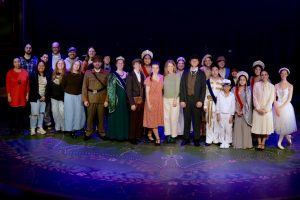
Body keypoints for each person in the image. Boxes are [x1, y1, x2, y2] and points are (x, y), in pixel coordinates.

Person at [180, 54, 206, 147]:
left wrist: (201, 101)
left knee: (196, 121)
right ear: (190, 62)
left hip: (197, 100)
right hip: (187, 99)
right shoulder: (186, 72)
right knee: (186, 120)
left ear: (198, 62)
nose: (194, 62)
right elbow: (182, 87)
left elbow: (203, 88)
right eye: (192, 61)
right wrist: (182, 100)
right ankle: (186, 139)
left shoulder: (202, 73)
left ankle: (196, 139)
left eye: (196, 61)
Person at [82, 55, 109, 141]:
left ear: (101, 63)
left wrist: (107, 100)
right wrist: (85, 99)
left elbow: (109, 88)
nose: (97, 63)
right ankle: (88, 132)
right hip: (91, 98)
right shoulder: (88, 72)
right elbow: (84, 87)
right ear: (93, 63)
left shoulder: (106, 73)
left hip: (102, 98)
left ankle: (101, 132)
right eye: (95, 62)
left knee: (101, 117)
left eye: (99, 61)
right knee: (90, 117)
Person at [273, 67, 297, 149]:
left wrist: (281, 107)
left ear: (287, 75)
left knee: (284, 124)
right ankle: (288, 137)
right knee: (282, 125)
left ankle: (279, 142)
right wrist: (276, 106)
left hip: (286, 106)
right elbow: (273, 98)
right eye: (282, 73)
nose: (283, 75)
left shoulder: (290, 86)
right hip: (277, 105)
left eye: (285, 73)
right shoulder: (276, 85)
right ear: (280, 74)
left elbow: (289, 98)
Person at [107, 56, 129, 141]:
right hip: (116, 100)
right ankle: (114, 135)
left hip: (125, 100)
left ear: (123, 64)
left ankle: (123, 135)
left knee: (124, 117)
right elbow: (110, 90)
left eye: (122, 63)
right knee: (115, 117)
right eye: (118, 63)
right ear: (116, 64)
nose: (120, 64)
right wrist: (111, 101)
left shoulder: (127, 74)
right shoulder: (112, 75)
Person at [251, 70, 275, 151]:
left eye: (265, 75)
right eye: (262, 75)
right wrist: (258, 108)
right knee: (258, 127)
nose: (264, 76)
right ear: (260, 76)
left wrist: (266, 109)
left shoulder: (272, 86)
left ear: (268, 76)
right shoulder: (256, 85)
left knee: (266, 127)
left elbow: (271, 98)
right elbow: (254, 97)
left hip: (267, 110)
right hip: (257, 109)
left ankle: (263, 142)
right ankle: (259, 142)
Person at [61, 60, 86, 137]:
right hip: (69, 96)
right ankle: (69, 129)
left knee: (79, 112)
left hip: (78, 96)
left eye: (78, 65)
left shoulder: (81, 75)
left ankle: (78, 128)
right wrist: (67, 92)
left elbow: (83, 86)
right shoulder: (67, 74)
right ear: (73, 65)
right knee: (69, 113)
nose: (76, 66)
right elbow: (62, 85)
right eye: (75, 64)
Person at [6, 57, 29, 135]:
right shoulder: (9, 72)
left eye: (18, 61)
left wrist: (27, 94)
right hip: (13, 96)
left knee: (21, 114)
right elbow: (8, 85)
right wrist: (9, 96)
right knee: (13, 114)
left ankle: (20, 129)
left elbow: (27, 85)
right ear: (13, 63)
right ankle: (12, 129)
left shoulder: (25, 72)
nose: (17, 63)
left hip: (22, 96)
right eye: (15, 62)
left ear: (20, 62)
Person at [143, 62, 164, 146]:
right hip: (150, 102)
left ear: (158, 69)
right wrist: (148, 104)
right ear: (151, 68)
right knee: (153, 120)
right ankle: (158, 138)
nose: (155, 69)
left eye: (157, 68)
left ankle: (149, 134)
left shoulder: (162, 77)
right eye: (153, 67)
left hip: (159, 101)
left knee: (155, 119)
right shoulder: (148, 79)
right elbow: (147, 93)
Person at [126, 59, 145, 144]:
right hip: (134, 100)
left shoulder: (141, 74)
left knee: (139, 120)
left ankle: (137, 136)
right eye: (136, 64)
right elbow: (128, 90)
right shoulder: (130, 75)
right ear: (133, 65)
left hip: (141, 101)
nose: (138, 65)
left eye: (139, 64)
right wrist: (132, 103)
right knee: (133, 120)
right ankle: (132, 137)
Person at [28, 60, 50, 135]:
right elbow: (32, 87)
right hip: (35, 97)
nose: (41, 67)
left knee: (41, 113)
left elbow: (48, 87)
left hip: (44, 97)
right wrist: (39, 96)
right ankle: (33, 128)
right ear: (37, 66)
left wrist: (45, 96)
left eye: (43, 66)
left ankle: (40, 127)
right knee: (34, 114)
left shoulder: (47, 74)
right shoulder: (33, 74)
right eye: (39, 65)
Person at [232, 71, 253, 149]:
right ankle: (238, 144)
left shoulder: (248, 90)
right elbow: (232, 101)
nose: (242, 81)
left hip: (245, 111)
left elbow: (249, 102)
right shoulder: (234, 89)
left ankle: (246, 144)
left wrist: (243, 111)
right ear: (238, 80)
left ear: (246, 80)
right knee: (237, 127)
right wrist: (236, 111)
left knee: (245, 127)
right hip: (237, 110)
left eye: (244, 80)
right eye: (240, 79)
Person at [203, 65, 223, 145]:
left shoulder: (222, 81)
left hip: (219, 104)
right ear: (211, 71)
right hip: (209, 103)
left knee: (217, 122)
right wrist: (205, 105)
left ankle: (216, 139)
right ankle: (208, 139)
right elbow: (205, 94)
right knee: (209, 122)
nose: (214, 72)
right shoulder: (208, 81)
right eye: (213, 70)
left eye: (216, 70)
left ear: (218, 71)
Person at [163, 60, 180, 143]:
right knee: (166, 118)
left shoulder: (177, 75)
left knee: (174, 118)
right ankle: (168, 134)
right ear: (166, 67)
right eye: (168, 66)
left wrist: (175, 99)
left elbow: (177, 88)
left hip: (174, 99)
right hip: (165, 99)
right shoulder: (164, 76)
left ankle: (173, 135)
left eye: (171, 66)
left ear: (174, 67)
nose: (170, 67)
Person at [216, 79, 235, 148]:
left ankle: (228, 141)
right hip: (221, 114)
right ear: (222, 87)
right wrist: (218, 114)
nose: (226, 88)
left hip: (229, 114)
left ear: (230, 87)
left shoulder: (232, 95)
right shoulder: (220, 94)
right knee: (221, 128)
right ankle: (221, 141)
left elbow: (233, 105)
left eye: (228, 86)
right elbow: (218, 104)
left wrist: (232, 115)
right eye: (225, 86)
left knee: (228, 128)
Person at [50, 59, 66, 132]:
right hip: (53, 97)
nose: (60, 64)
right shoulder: (53, 73)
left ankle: (63, 127)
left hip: (62, 97)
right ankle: (57, 127)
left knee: (62, 112)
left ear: (64, 65)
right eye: (59, 63)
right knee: (55, 112)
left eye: (62, 63)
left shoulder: (66, 74)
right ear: (56, 65)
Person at [176, 57, 186, 137]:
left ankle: (183, 131)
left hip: (185, 96)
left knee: (184, 114)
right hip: (176, 95)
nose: (181, 65)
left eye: (182, 63)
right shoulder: (174, 72)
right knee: (177, 114)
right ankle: (177, 131)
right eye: (179, 63)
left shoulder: (187, 73)